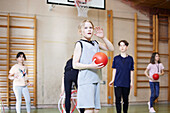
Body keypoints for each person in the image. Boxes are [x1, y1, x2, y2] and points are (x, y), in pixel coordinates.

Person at [73, 20, 114, 113]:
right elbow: (75, 64)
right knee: (89, 109)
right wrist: (90, 65)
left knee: (95, 110)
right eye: (86, 28)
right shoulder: (79, 44)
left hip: (96, 79)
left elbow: (111, 48)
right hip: (86, 80)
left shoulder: (96, 43)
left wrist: (103, 37)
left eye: (90, 27)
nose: (89, 30)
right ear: (81, 31)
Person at [109, 40, 134, 113]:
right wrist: (112, 80)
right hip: (118, 82)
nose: (122, 47)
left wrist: (131, 82)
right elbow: (114, 70)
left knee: (126, 99)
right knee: (118, 99)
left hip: (126, 82)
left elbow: (131, 71)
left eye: (123, 45)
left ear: (127, 47)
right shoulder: (116, 58)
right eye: (120, 45)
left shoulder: (130, 59)